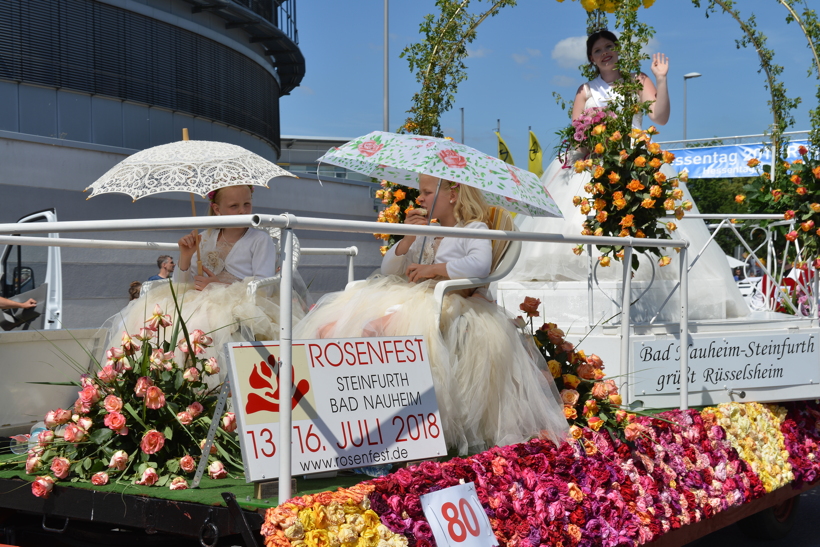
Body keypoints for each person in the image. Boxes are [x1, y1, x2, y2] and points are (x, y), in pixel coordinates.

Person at [295, 175, 569, 455]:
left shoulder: (473, 228)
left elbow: (479, 265)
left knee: (374, 329)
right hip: (411, 297)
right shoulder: (427, 230)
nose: (421, 199)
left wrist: (433, 269)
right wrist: (408, 238)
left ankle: (388, 417)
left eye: (426, 192)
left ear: (453, 194)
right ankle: (349, 415)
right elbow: (389, 269)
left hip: (448, 302)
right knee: (331, 328)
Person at [504, 30, 748, 322]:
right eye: (597, 51)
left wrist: (661, 78)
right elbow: (576, 132)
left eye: (609, 47)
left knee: (649, 216)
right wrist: (592, 142)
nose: (604, 53)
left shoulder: (637, 80)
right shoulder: (585, 90)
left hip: (635, 157)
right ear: (591, 59)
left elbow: (660, 116)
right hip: (595, 159)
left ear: (618, 50)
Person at [99, 184, 308, 384]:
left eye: (247, 204)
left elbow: (265, 287)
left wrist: (219, 284)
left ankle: (199, 385)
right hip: (197, 297)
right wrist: (186, 255)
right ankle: (152, 378)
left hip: (241, 301)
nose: (242, 211)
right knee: (156, 317)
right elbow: (181, 284)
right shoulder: (205, 237)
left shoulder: (259, 239)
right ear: (217, 209)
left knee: (198, 324)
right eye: (233, 206)